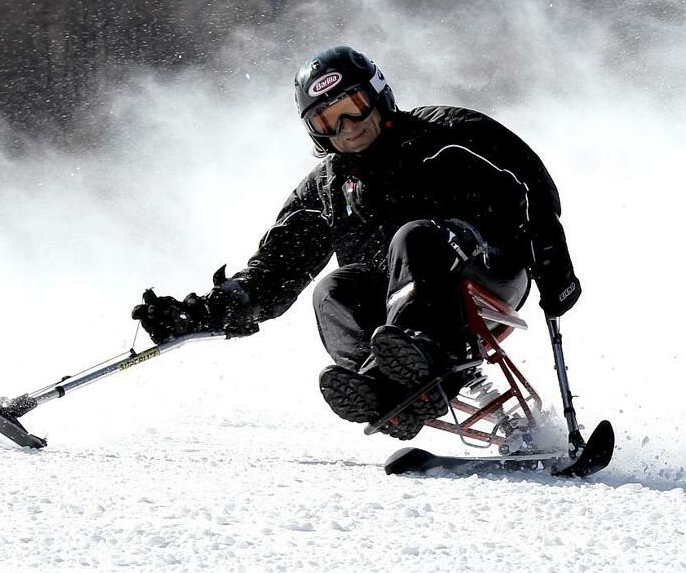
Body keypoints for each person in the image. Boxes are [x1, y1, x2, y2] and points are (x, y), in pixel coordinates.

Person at [132, 46, 581, 440]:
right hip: (399, 305)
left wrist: (554, 266)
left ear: (377, 94)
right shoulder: (327, 189)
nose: (347, 126)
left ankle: (417, 360)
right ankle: (385, 389)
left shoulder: (444, 137)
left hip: (483, 272)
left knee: (415, 236)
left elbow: (530, 185)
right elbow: (273, 270)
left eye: (353, 106)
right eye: (328, 119)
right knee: (333, 290)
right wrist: (207, 310)